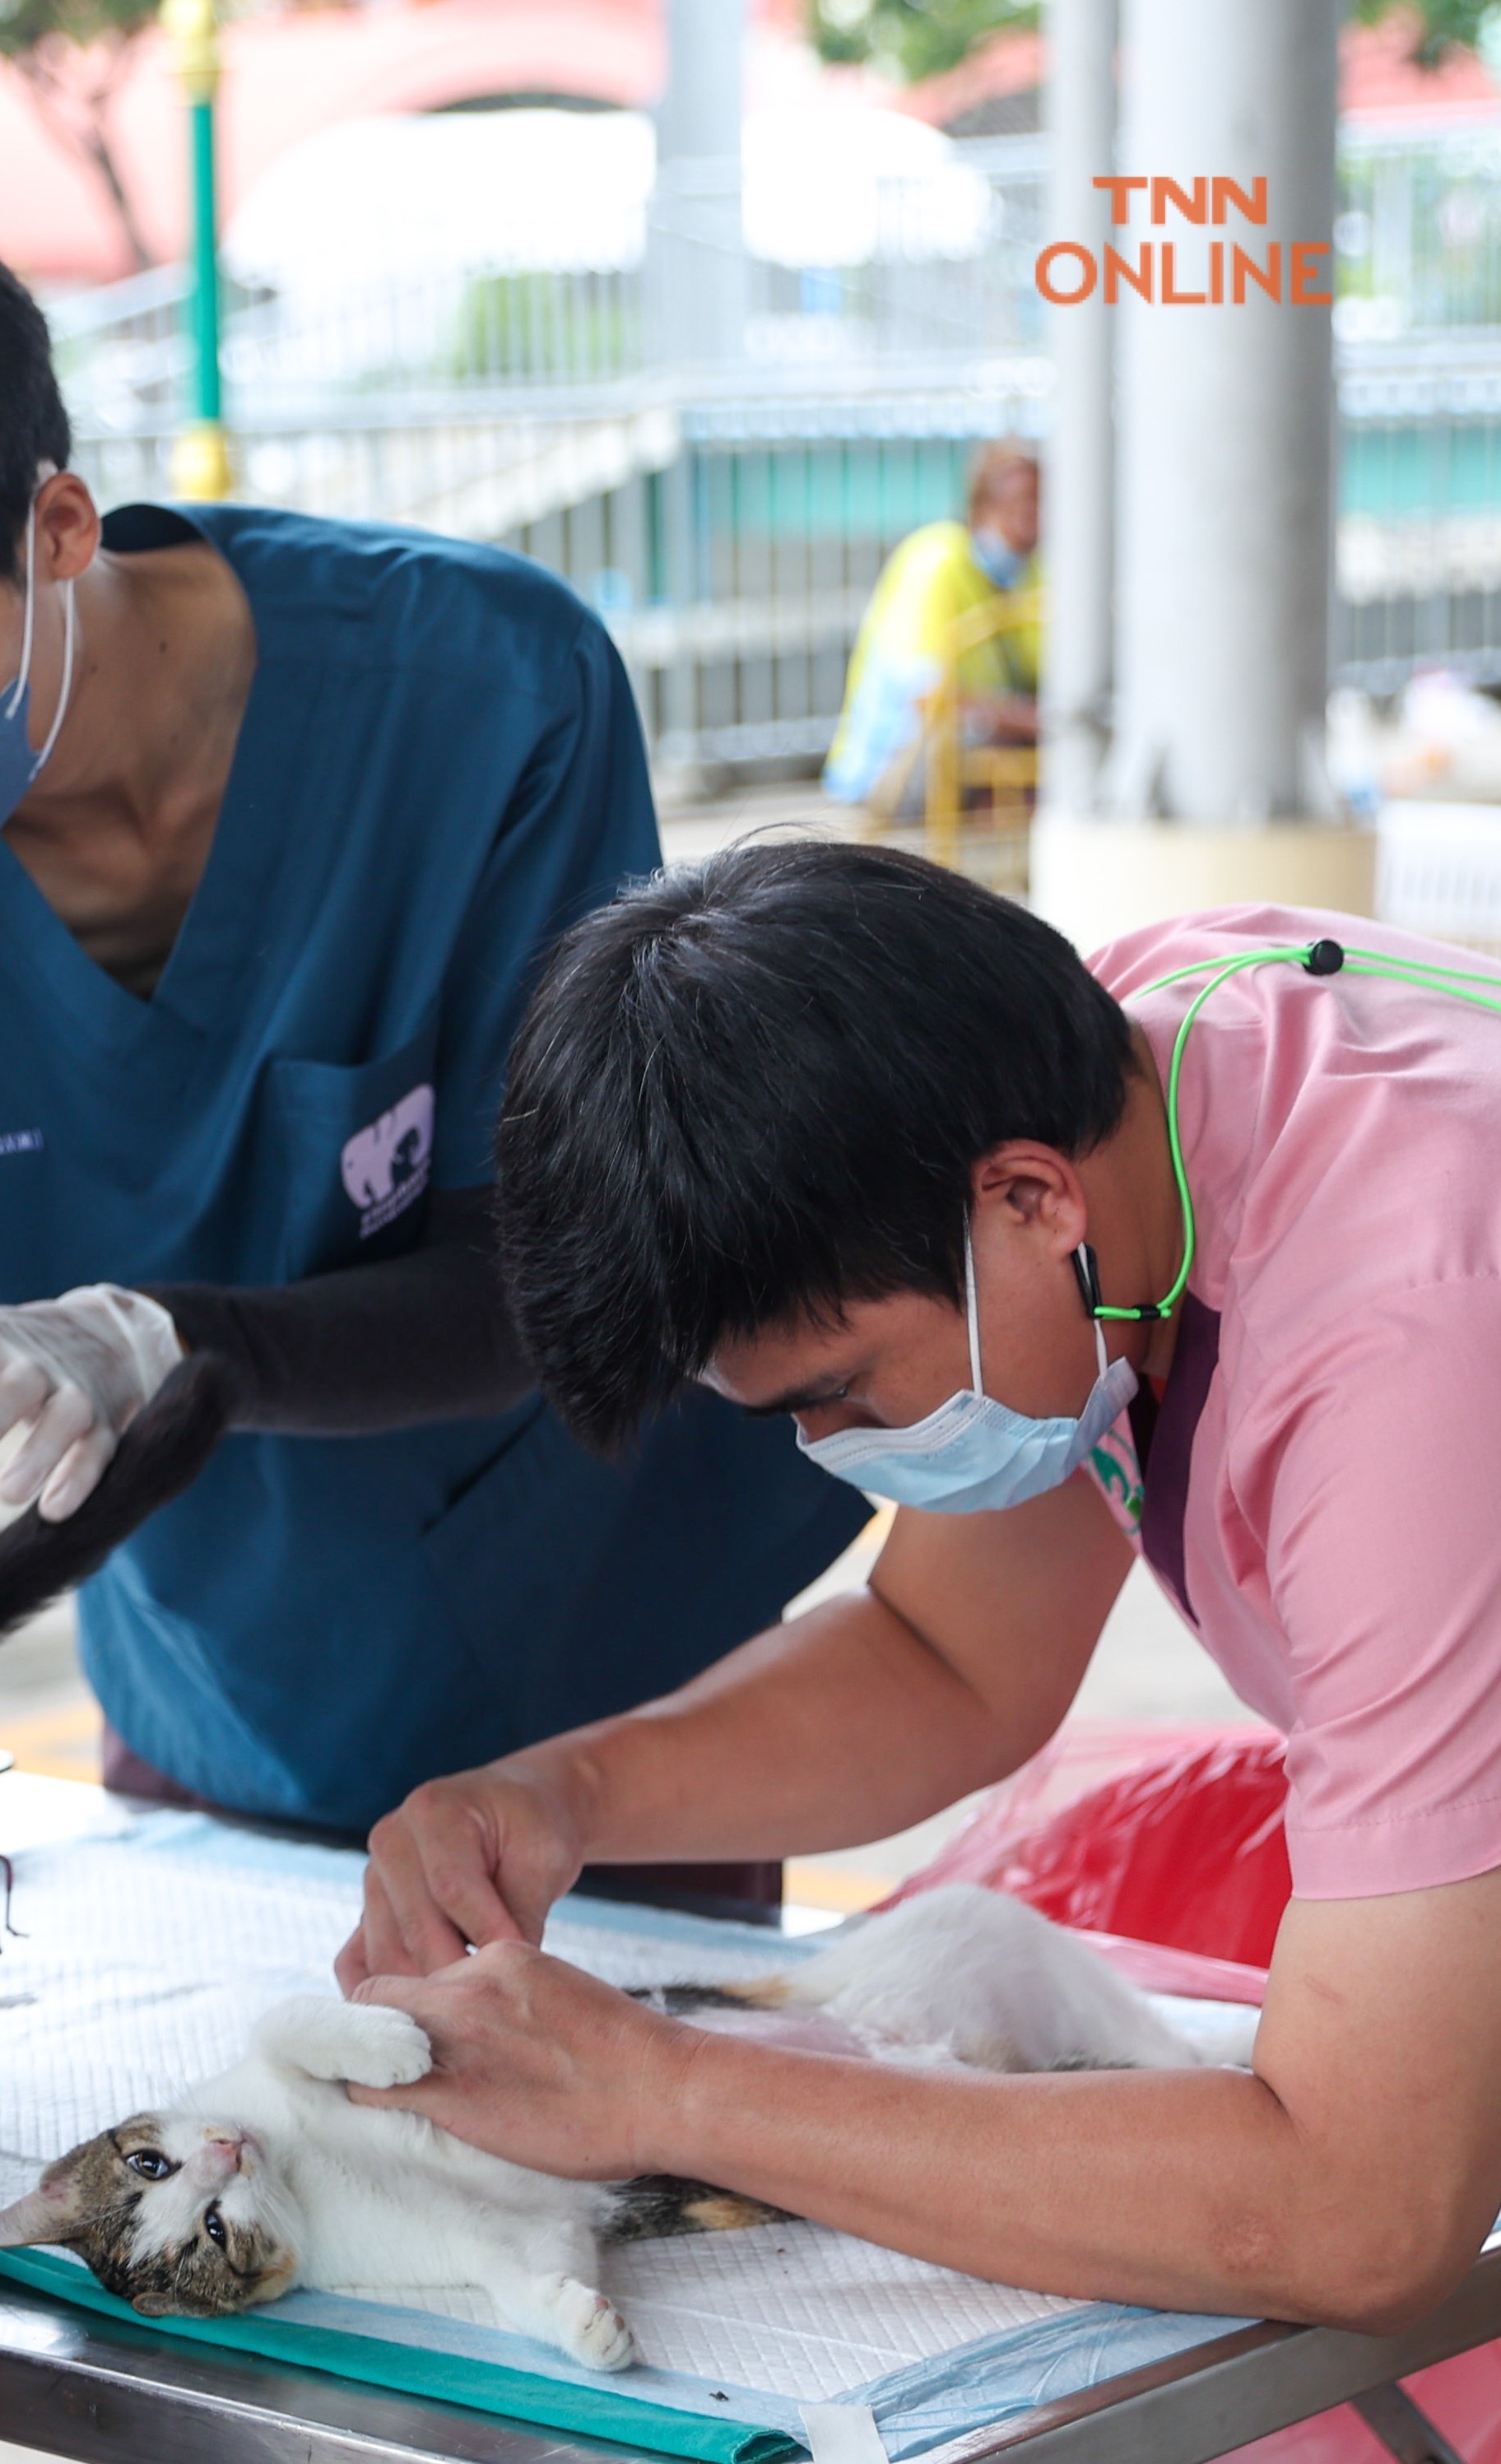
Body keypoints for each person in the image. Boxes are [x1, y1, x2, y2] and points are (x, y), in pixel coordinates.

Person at [0, 195, 866, 1842]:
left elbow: (551, 1271)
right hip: (217, 1674)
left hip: (607, 1660)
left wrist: (164, 1344)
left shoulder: (485, 701)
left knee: (626, 2076)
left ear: (52, 526)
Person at [337, 839, 1501, 2336]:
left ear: (1030, 1199)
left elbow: (1361, 2206)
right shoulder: (1129, 1087)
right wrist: (560, 1795)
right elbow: (948, 1652)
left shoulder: (1404, 1357)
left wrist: (661, 2088)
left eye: (846, 1388)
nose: (844, 1451)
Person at [822, 440, 1042, 816]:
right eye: (1021, 503)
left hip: (962, 755)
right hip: (892, 769)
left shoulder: (1028, 573)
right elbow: (927, 696)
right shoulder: (935, 561)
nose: (1034, 518)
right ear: (982, 507)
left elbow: (1045, 671)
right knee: (986, 745)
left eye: (1041, 503)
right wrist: (1034, 720)